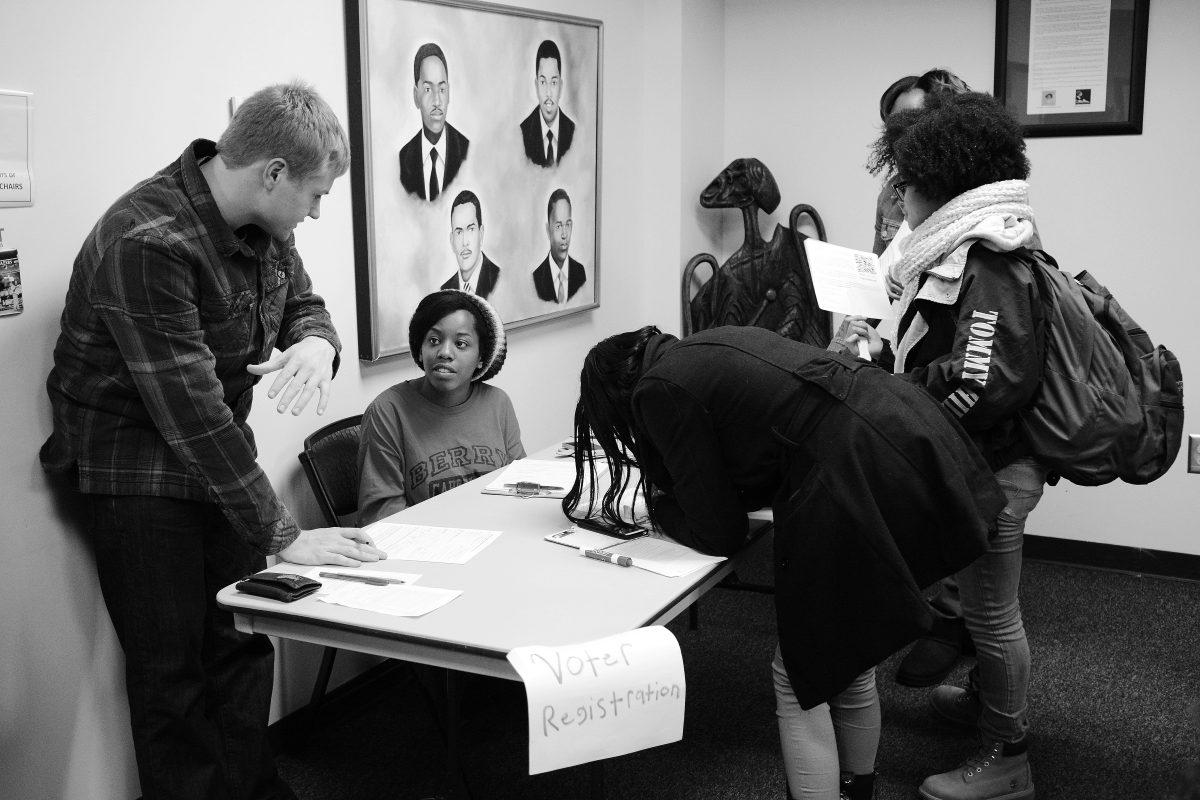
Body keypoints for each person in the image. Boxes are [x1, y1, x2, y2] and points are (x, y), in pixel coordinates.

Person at [39, 82, 387, 800]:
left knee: (239, 639)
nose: (317, 213)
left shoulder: (265, 225)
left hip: (215, 459)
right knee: (173, 677)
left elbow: (305, 304)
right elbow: (193, 413)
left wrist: (318, 344)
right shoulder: (149, 243)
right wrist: (285, 533)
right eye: (316, 195)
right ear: (274, 174)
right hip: (133, 472)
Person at [564, 324, 1007, 800]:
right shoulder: (703, 347)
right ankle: (858, 791)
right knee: (850, 656)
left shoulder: (659, 389)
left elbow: (720, 532)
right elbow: (757, 443)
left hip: (850, 467)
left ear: (613, 394)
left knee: (800, 673)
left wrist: (661, 505)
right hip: (901, 423)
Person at [849, 91, 1047, 800]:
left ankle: (1008, 754)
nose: (897, 197)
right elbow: (941, 347)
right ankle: (990, 703)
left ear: (938, 180)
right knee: (981, 601)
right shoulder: (960, 245)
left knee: (992, 612)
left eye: (903, 182)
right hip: (976, 458)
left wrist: (897, 396)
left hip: (993, 465)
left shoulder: (989, 255)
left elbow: (981, 380)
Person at [869, 68, 978, 691]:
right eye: (893, 129)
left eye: (912, 122)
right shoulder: (893, 191)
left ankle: (955, 622)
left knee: (963, 494)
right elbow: (886, 263)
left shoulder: (972, 192)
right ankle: (927, 607)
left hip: (955, 362)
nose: (901, 138)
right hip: (901, 347)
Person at [358, 290, 524, 525]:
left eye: (461, 343)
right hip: (425, 549)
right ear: (419, 349)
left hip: (497, 537)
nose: (445, 353)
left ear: (481, 357)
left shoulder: (498, 403)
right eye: (434, 340)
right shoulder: (387, 411)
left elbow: (520, 485)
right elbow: (382, 516)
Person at [400, 42, 469, 201]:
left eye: (442, 90)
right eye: (428, 89)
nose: (437, 101)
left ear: (449, 94)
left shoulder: (467, 152)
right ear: (416, 95)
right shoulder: (403, 161)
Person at [521, 39, 575, 166]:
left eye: (554, 82)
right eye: (543, 82)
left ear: (561, 86)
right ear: (536, 85)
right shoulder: (522, 135)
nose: (549, 93)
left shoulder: (574, 133)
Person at [442, 190, 501, 299]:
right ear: (452, 241)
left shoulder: (499, 279)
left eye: (470, 230)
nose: (465, 242)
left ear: (481, 234)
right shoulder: (444, 292)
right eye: (459, 232)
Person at [532, 188, 587, 303]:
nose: (564, 234)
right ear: (548, 230)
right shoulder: (536, 280)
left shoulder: (581, 274)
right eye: (558, 226)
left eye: (567, 225)